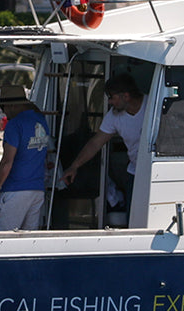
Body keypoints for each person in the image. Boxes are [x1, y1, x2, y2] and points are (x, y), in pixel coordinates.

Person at [60, 73, 145, 216]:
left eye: (112, 97)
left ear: (126, 96)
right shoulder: (114, 116)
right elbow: (95, 143)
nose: (110, 102)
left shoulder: (153, 105)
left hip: (156, 173)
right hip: (135, 174)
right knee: (133, 218)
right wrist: (74, 166)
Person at [0, 85, 52, 230]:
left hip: (15, 190)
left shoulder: (14, 124)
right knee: (28, 241)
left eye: (4, 107)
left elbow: (6, 163)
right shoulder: (41, 120)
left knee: (3, 240)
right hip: (37, 190)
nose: (4, 112)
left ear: (12, 106)